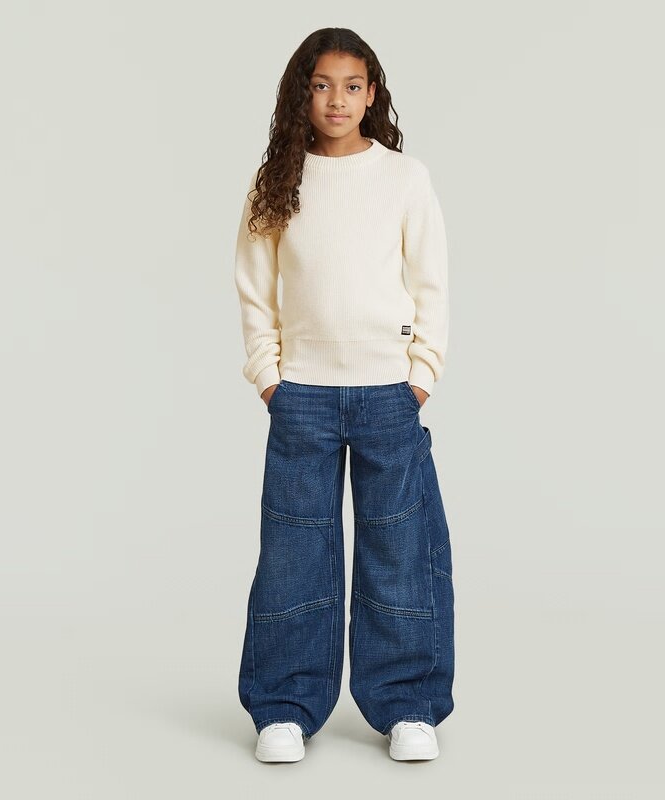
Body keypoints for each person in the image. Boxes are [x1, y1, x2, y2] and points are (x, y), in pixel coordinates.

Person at [233, 27, 454, 763]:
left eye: (351, 86)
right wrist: (269, 374)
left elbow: (431, 281)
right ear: (302, 94)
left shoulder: (404, 177)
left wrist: (420, 375)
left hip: (388, 391)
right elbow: (254, 285)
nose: (336, 100)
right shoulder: (277, 179)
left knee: (400, 546)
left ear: (371, 94)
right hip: (302, 394)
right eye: (321, 85)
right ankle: (285, 707)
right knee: (295, 552)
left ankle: (408, 705)